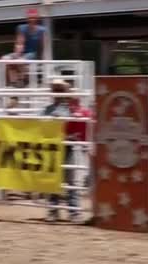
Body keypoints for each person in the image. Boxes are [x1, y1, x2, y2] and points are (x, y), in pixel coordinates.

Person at [43, 79, 87, 223]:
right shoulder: (48, 109)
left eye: (60, 89)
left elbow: (77, 123)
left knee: (71, 179)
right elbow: (40, 126)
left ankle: (73, 211)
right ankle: (54, 210)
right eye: (56, 89)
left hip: (67, 145)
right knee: (54, 180)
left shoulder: (71, 108)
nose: (58, 92)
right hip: (54, 147)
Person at [1, 8, 47, 87]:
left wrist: (42, 59)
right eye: (30, 18)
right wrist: (17, 54)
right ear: (27, 18)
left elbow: (42, 46)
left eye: (33, 17)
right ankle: (9, 83)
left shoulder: (42, 30)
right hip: (21, 52)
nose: (31, 19)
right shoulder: (22, 28)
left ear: (37, 18)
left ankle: (22, 80)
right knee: (4, 59)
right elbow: (19, 43)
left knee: (20, 61)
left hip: (32, 54)